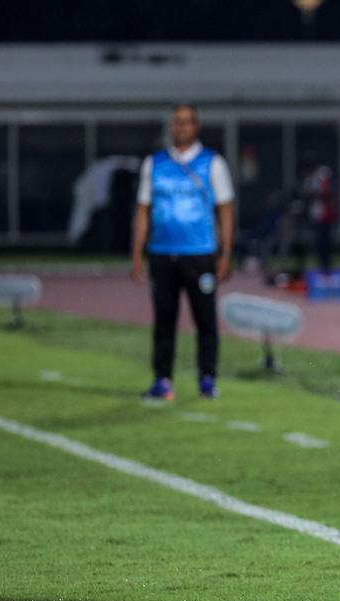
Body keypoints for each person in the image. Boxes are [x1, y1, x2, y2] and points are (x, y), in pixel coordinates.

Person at [131, 103, 235, 400]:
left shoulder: (212, 163)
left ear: (196, 126)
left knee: (205, 320)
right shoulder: (155, 163)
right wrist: (137, 254)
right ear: (170, 127)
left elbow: (225, 211)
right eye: (176, 122)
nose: (181, 127)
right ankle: (162, 380)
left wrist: (225, 254)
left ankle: (207, 379)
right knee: (164, 320)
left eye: (187, 122)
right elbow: (143, 210)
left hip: (200, 252)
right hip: (162, 253)